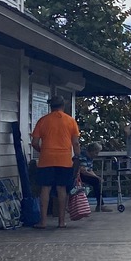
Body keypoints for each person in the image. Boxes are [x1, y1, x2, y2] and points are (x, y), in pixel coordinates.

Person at [30, 95, 81, 229]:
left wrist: (43, 150)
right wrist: (77, 156)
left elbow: (34, 142)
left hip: (46, 158)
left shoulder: (43, 121)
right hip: (64, 159)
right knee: (61, 188)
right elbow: (75, 143)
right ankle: (61, 221)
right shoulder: (70, 121)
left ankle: (43, 222)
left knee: (45, 188)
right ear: (63, 106)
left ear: (50, 106)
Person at [77, 141, 104, 211]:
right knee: (96, 181)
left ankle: (100, 204)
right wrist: (96, 178)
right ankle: (100, 204)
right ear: (91, 151)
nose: (97, 154)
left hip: (84, 174)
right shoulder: (83, 156)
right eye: (96, 152)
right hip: (77, 175)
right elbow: (83, 171)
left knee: (97, 180)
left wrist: (97, 177)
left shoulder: (90, 157)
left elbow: (90, 170)